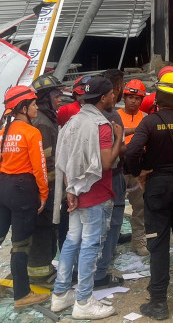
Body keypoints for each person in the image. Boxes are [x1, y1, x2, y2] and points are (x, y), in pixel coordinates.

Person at [125, 71, 173, 321]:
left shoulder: (150, 122)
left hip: (158, 188)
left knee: (158, 245)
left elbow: (132, 150)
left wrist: (138, 172)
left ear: (159, 97)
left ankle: (158, 304)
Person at [51, 76, 123, 320]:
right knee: (91, 246)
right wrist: (119, 138)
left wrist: (70, 189)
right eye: (112, 94)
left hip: (76, 191)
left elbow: (64, 159)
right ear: (103, 98)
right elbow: (105, 163)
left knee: (72, 241)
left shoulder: (73, 121)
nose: (115, 97)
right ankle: (83, 300)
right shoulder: (100, 126)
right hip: (94, 194)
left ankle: (60, 296)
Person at [0, 86, 49, 311]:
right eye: (33, 104)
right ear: (23, 108)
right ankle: (23, 295)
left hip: (2, 187)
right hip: (22, 189)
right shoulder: (31, 133)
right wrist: (43, 193)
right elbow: (40, 168)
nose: (37, 107)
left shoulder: (1, 134)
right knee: (21, 244)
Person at [27, 73, 63, 285]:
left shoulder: (47, 119)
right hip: (45, 188)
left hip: (46, 187)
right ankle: (40, 274)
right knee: (43, 229)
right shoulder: (43, 123)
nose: (59, 99)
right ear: (45, 98)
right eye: (56, 95)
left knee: (48, 228)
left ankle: (44, 268)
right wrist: (54, 187)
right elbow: (46, 161)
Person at [94, 69, 129, 288]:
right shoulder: (113, 116)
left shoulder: (85, 114)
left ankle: (96, 264)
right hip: (112, 175)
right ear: (116, 89)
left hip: (91, 177)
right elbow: (119, 149)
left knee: (95, 223)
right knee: (114, 221)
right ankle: (102, 272)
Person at [120, 78, 149, 256]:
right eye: (130, 97)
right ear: (124, 97)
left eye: (137, 98)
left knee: (140, 207)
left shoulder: (146, 118)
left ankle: (138, 241)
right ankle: (110, 242)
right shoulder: (115, 116)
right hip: (119, 166)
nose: (133, 101)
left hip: (139, 167)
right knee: (114, 207)